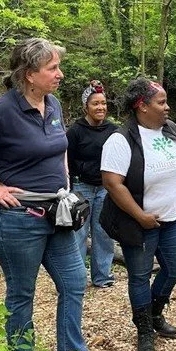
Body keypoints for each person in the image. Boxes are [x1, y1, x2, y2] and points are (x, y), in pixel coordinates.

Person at [0, 38, 110, 351]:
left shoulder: (54, 104)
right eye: (52, 69)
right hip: (16, 219)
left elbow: (59, 149)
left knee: (74, 284)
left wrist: (65, 185)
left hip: (57, 214)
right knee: (21, 296)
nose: (60, 74)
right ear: (29, 74)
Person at [100, 78, 176, 351]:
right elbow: (112, 183)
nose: (167, 107)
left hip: (172, 219)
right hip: (138, 222)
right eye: (161, 102)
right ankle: (144, 328)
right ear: (142, 106)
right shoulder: (120, 140)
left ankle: (155, 312)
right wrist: (140, 215)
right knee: (140, 275)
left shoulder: (172, 130)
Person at [67, 80, 119, 288]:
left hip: (105, 189)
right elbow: (66, 160)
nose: (100, 108)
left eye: (103, 103)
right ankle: (77, 278)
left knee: (104, 232)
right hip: (81, 187)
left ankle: (102, 276)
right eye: (95, 104)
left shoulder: (113, 131)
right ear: (86, 107)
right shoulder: (75, 131)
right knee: (78, 233)